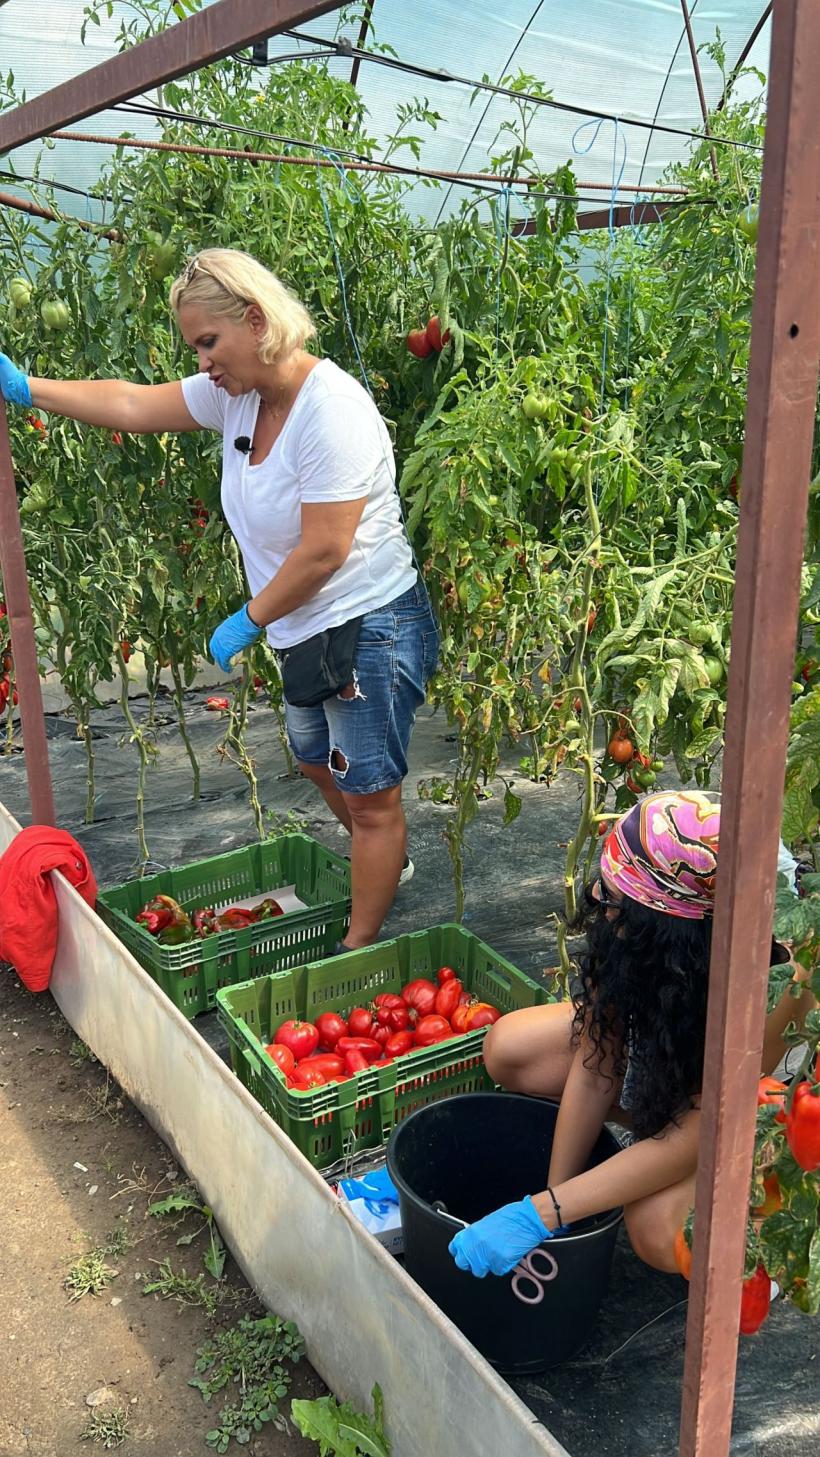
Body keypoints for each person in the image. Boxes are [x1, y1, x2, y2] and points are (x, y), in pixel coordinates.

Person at [0, 248, 438, 949]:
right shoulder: (238, 397)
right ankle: (381, 858)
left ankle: (359, 943)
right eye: (194, 346)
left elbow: (326, 547)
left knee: (371, 793)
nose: (202, 360)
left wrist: (248, 618)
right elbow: (134, 403)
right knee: (312, 758)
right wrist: (32, 389)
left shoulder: (333, 411)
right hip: (303, 627)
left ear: (257, 320)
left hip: (369, 624)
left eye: (209, 341)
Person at [450, 790, 817, 1279]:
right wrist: (553, 1205)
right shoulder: (625, 931)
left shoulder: (776, 988)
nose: (601, 902)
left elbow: (702, 1128)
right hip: (669, 1071)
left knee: (656, 1229)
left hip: (737, 1114)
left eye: (618, 900)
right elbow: (596, 1059)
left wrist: (544, 1212)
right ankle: (635, 1159)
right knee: (509, 1049)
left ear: (675, 932)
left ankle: (763, 1247)